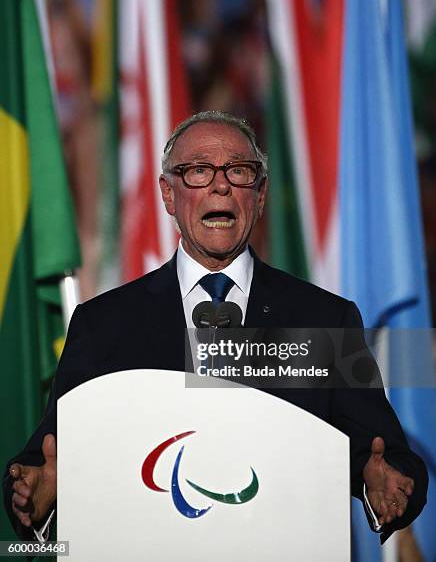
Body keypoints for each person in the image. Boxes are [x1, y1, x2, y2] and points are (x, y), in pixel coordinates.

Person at [3, 111, 428, 545]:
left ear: (259, 195)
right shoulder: (104, 325)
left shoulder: (324, 319)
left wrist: (386, 485)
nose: (220, 185)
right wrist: (38, 496)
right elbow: (45, 461)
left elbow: (386, 457)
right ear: (169, 195)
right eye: (199, 171)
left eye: (239, 171)